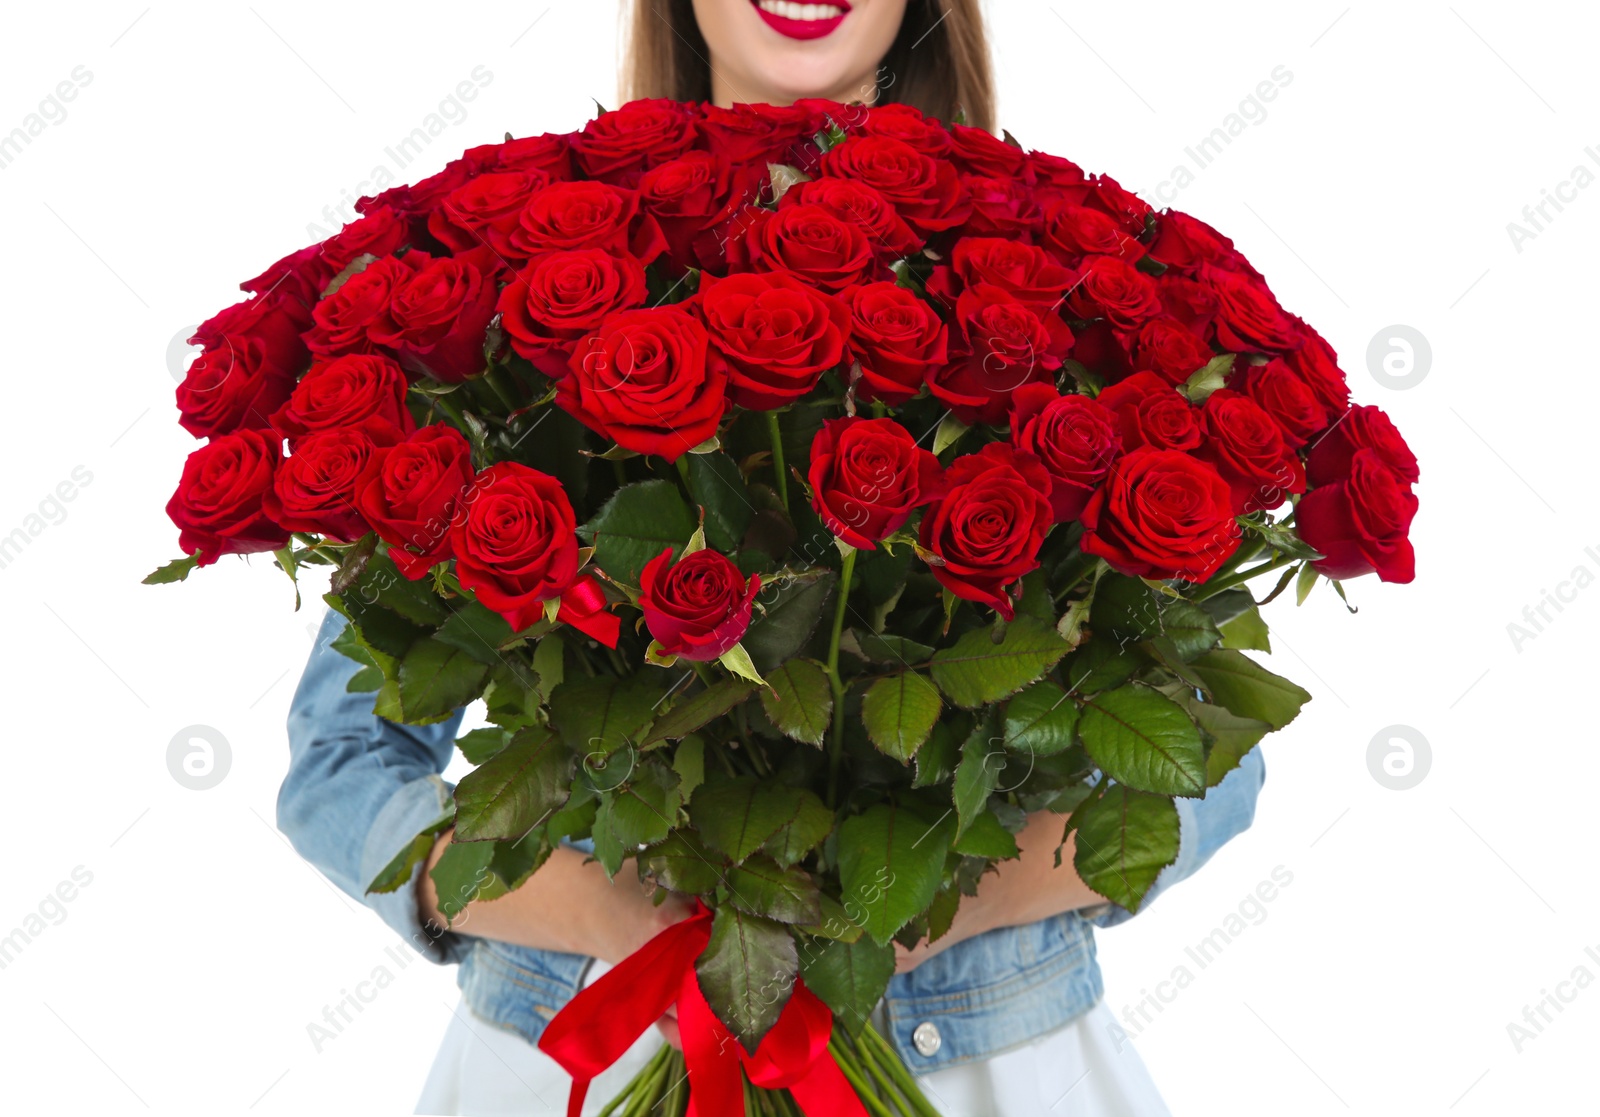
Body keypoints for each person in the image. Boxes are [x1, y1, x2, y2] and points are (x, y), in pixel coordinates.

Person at [278, 2, 1267, 1114]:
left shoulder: (1061, 292)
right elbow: (340, 766)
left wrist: (933, 899)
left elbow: (1216, 767)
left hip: (988, 1064)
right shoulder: (512, 293)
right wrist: (620, 919)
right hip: (592, 1052)